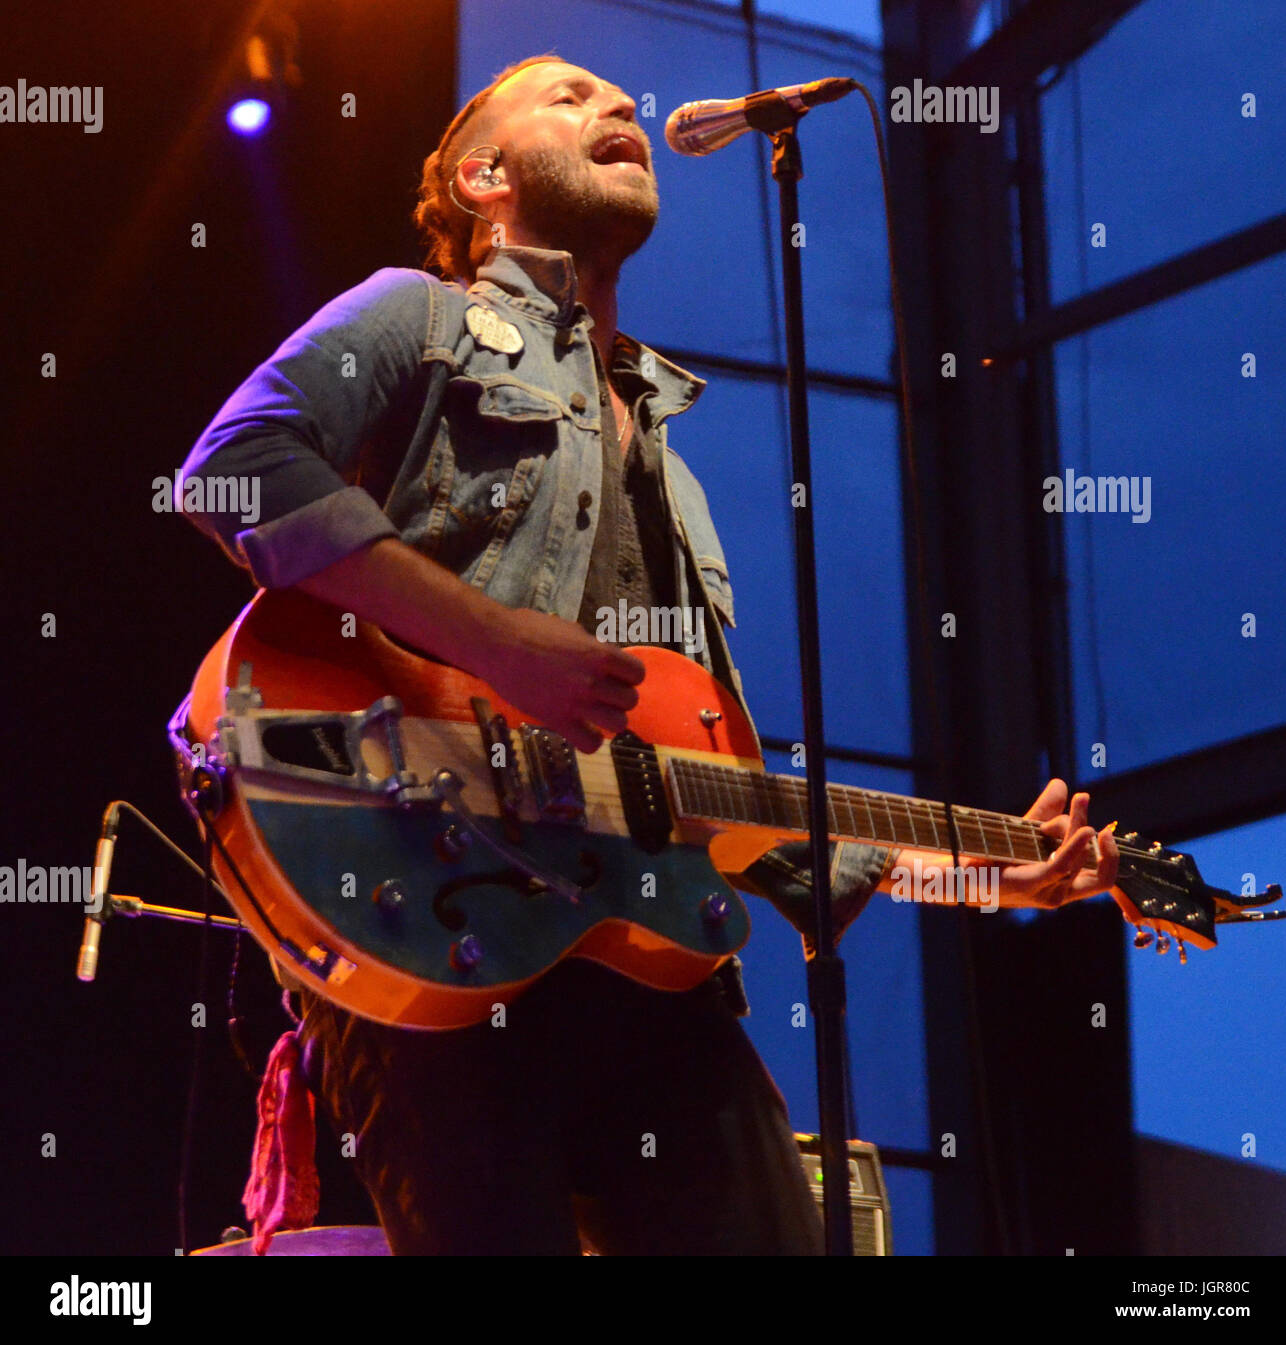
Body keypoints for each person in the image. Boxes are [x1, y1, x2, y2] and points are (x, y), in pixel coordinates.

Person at [178, 55, 1119, 1254]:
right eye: (568, 97)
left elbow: (741, 813)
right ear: (483, 176)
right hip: (434, 907)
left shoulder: (669, 471)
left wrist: (990, 872)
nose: (616, 106)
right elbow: (234, 467)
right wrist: (499, 644)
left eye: (617, 97)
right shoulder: (415, 315)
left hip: (647, 967)